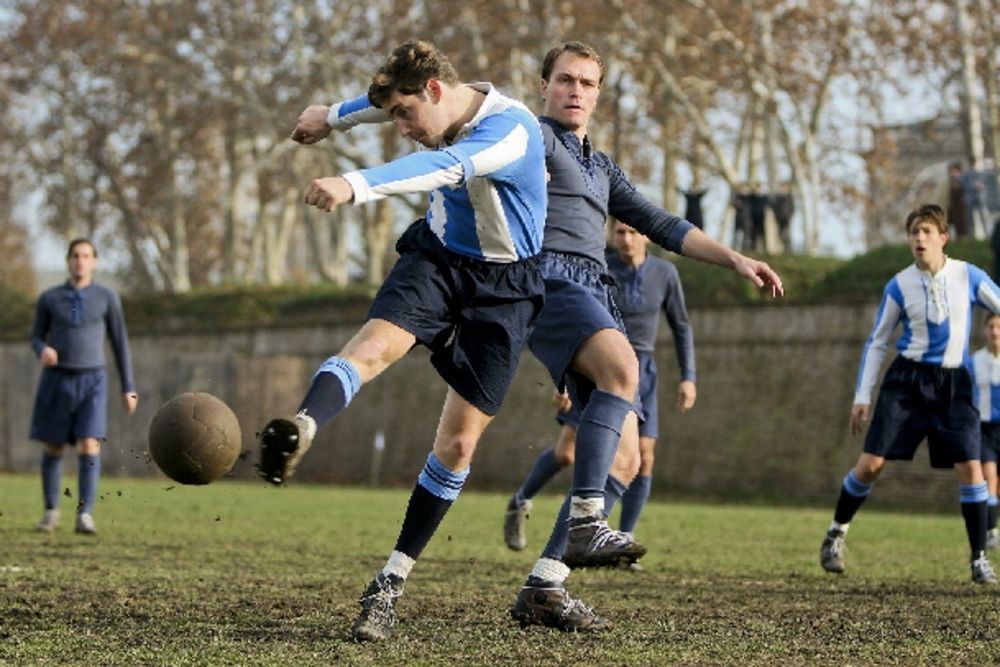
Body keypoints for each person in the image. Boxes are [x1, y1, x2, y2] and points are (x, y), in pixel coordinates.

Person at [257, 40, 549, 643]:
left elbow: (442, 168)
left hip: (506, 290)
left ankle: (390, 579)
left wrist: (353, 182)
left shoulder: (510, 132)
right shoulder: (434, 102)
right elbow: (390, 102)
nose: (401, 129)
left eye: (405, 117)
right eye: (393, 116)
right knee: (373, 348)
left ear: (436, 92)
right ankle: (304, 425)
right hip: (438, 261)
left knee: (459, 446)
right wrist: (332, 115)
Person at [506, 41, 782, 633]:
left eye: (588, 83)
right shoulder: (532, 136)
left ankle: (544, 586)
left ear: (599, 94)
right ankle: (584, 521)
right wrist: (347, 112)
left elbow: (664, 223)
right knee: (625, 370)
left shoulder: (602, 167)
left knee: (627, 460)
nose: (576, 91)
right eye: (565, 80)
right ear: (545, 87)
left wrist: (736, 259)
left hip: (591, 293)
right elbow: (467, 100)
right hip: (550, 280)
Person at [819, 203, 1000, 585]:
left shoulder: (969, 276)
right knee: (871, 464)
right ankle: (836, 533)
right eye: (914, 232)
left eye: (927, 232)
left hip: (954, 384)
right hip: (907, 383)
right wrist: (862, 396)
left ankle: (979, 559)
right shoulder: (898, 285)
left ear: (943, 238)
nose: (919, 239)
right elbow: (877, 341)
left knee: (971, 468)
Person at [504, 220, 696, 562]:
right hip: (595, 364)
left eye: (633, 231)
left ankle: (623, 538)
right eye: (620, 232)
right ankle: (520, 500)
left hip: (643, 371)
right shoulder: (598, 266)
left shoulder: (665, 274)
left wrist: (688, 376)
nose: (626, 238)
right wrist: (563, 373)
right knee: (566, 454)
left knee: (642, 458)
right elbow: (567, 318)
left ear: (646, 236)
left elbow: (681, 326)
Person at [30, 239, 139, 535]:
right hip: (57, 380)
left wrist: (128, 386)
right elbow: (36, 336)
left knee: (90, 443)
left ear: (95, 262)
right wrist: (42, 350)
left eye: (86, 256)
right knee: (53, 446)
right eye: (75, 256)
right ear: (68, 260)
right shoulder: (50, 298)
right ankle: (51, 510)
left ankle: (85, 514)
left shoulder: (107, 297)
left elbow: (120, 344)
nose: (80, 261)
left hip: (93, 380)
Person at [971, 313, 1000, 550]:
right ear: (985, 330)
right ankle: (991, 532)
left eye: (999, 327)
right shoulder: (975, 361)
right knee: (989, 478)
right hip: (985, 429)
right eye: (991, 326)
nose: (995, 331)